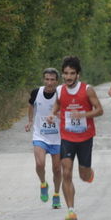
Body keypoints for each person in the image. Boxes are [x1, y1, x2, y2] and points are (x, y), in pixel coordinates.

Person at [47, 56, 103, 220]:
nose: (69, 77)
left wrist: (83, 115)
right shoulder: (60, 90)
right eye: (66, 73)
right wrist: (52, 114)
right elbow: (57, 105)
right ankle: (71, 211)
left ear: (78, 74)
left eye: (72, 73)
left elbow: (99, 110)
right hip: (67, 137)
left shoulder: (87, 90)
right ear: (63, 75)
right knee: (66, 172)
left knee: (84, 176)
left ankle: (88, 173)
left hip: (85, 137)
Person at [25, 68, 62, 209]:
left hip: (58, 137)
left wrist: (58, 117)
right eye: (47, 79)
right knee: (40, 164)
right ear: (43, 80)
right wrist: (30, 121)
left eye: (52, 80)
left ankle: (57, 195)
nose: (49, 82)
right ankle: (43, 183)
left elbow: (67, 111)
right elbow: (30, 105)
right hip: (40, 134)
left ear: (57, 81)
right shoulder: (36, 92)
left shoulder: (61, 94)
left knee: (57, 169)